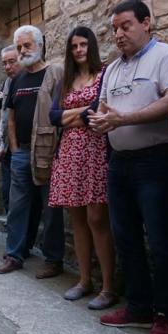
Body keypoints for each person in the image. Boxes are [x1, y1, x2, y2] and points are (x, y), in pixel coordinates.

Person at [89, 0, 168, 334]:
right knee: (126, 236)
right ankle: (138, 306)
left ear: (147, 23)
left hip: (155, 160)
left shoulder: (167, 57)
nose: (118, 34)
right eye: (115, 28)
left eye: (126, 25)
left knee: (160, 240)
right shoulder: (113, 69)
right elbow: (104, 108)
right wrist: (100, 121)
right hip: (119, 161)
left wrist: (122, 119)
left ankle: (164, 313)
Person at [48, 26, 116, 310]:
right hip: (69, 154)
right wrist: (82, 112)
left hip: (96, 151)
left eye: (83, 45)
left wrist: (73, 115)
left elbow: (97, 114)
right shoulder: (66, 81)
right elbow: (53, 116)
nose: (78, 50)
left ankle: (109, 287)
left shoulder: (105, 75)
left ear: (92, 46)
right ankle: (84, 280)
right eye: (74, 46)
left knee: (97, 218)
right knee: (76, 219)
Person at [0, 25, 65, 278]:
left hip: (49, 153)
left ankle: (53, 260)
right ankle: (14, 255)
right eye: (19, 46)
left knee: (51, 208)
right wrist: (14, 148)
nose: (23, 50)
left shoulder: (55, 74)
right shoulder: (17, 80)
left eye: (27, 45)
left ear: (40, 45)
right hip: (22, 153)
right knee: (17, 207)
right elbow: (11, 117)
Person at [0, 45, 19, 213]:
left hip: (24, 147)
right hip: (8, 148)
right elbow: (3, 115)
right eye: (4, 63)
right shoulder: (7, 83)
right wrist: (2, 145)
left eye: (12, 62)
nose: (8, 67)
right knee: (7, 192)